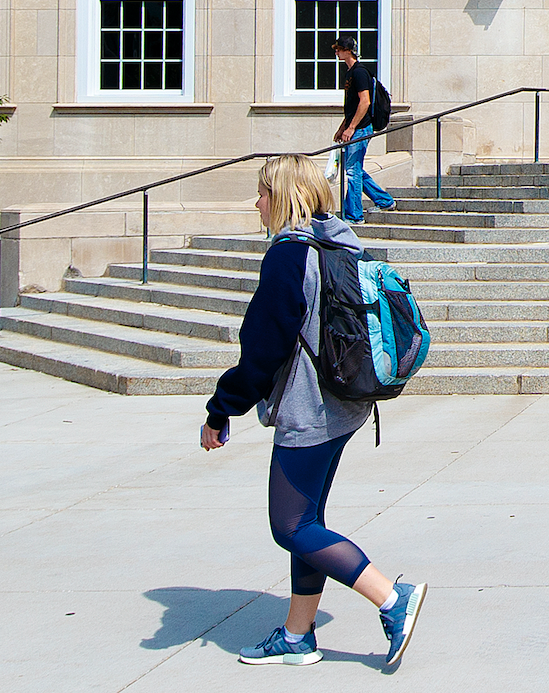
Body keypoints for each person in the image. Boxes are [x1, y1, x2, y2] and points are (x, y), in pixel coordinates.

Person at [201, 153, 426, 668]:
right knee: (308, 520)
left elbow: (263, 348)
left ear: (282, 196)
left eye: (261, 192)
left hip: (310, 408)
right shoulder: (338, 243)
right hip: (345, 404)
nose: (256, 202)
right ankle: (298, 635)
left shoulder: (287, 256)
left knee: (291, 527)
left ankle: (393, 598)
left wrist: (222, 409)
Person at [331, 44, 395, 224]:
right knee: (355, 169)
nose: (336, 53)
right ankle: (384, 200)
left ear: (348, 50)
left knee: (352, 171)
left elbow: (364, 102)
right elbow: (352, 107)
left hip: (361, 128)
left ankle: (354, 216)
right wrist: (343, 127)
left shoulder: (359, 72)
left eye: (338, 49)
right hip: (354, 127)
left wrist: (351, 128)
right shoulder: (350, 73)